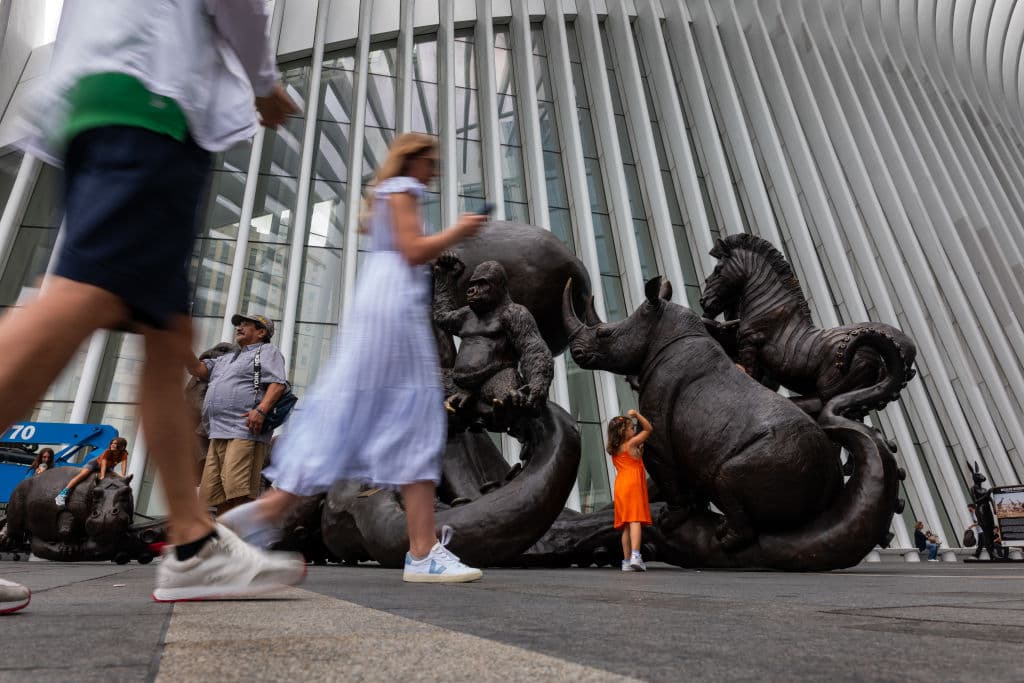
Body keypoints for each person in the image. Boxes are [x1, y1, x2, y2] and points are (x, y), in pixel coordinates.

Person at [0, 0, 306, 607]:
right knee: (83, 295)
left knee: (166, 335)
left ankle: (193, 544)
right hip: (147, 102)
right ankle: (196, 544)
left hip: (119, 98)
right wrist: (264, 83)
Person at [218, 132, 489, 583]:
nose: (435, 170)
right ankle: (422, 553)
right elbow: (412, 250)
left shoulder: (388, 195)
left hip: (383, 306)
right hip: (393, 311)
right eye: (431, 161)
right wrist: (460, 230)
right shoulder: (402, 190)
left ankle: (249, 521)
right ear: (412, 161)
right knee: (413, 419)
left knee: (381, 419)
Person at [185, 314, 287, 515]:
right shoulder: (226, 359)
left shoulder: (267, 351)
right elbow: (198, 369)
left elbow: (278, 384)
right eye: (238, 325)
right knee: (216, 494)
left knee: (238, 490)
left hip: (244, 430)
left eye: (245, 324)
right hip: (217, 432)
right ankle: (226, 538)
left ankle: (242, 539)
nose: (239, 327)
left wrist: (260, 410)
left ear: (261, 332)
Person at [607, 409, 653, 572]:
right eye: (632, 428)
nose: (634, 430)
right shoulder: (631, 444)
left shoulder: (616, 449)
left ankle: (626, 561)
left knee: (626, 525)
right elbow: (648, 429)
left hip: (621, 485)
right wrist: (638, 415)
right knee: (635, 521)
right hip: (633, 484)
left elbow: (632, 459)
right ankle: (635, 555)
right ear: (623, 431)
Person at [54, 438, 128, 506]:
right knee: (82, 475)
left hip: (109, 467)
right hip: (95, 464)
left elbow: (124, 464)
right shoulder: (107, 452)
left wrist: (123, 475)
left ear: (122, 446)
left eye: (115, 444)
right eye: (112, 443)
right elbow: (103, 464)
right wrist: (102, 476)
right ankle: (62, 495)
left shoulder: (124, 454)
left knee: (116, 478)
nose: (113, 445)